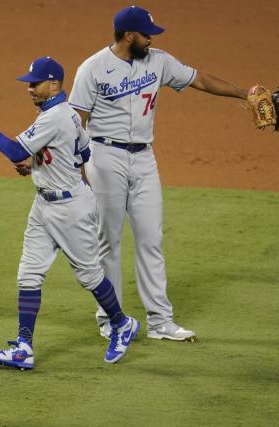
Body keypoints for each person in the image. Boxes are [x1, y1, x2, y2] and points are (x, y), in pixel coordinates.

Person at [69, 6, 248, 341]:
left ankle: (160, 321)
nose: (151, 38)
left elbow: (200, 79)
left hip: (144, 158)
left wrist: (243, 92)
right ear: (127, 35)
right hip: (104, 157)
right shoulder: (92, 69)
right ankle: (112, 319)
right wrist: (76, 168)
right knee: (108, 240)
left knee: (151, 239)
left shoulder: (159, 61)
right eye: (146, 33)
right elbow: (75, 121)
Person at [0, 57, 139, 369]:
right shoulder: (66, 115)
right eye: (29, 83)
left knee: (88, 274)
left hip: (69, 209)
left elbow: (15, 151)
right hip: (45, 204)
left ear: (55, 84)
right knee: (29, 274)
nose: (30, 88)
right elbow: (83, 152)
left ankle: (121, 324)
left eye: (35, 83)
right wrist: (39, 165)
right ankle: (24, 348)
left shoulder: (56, 117)